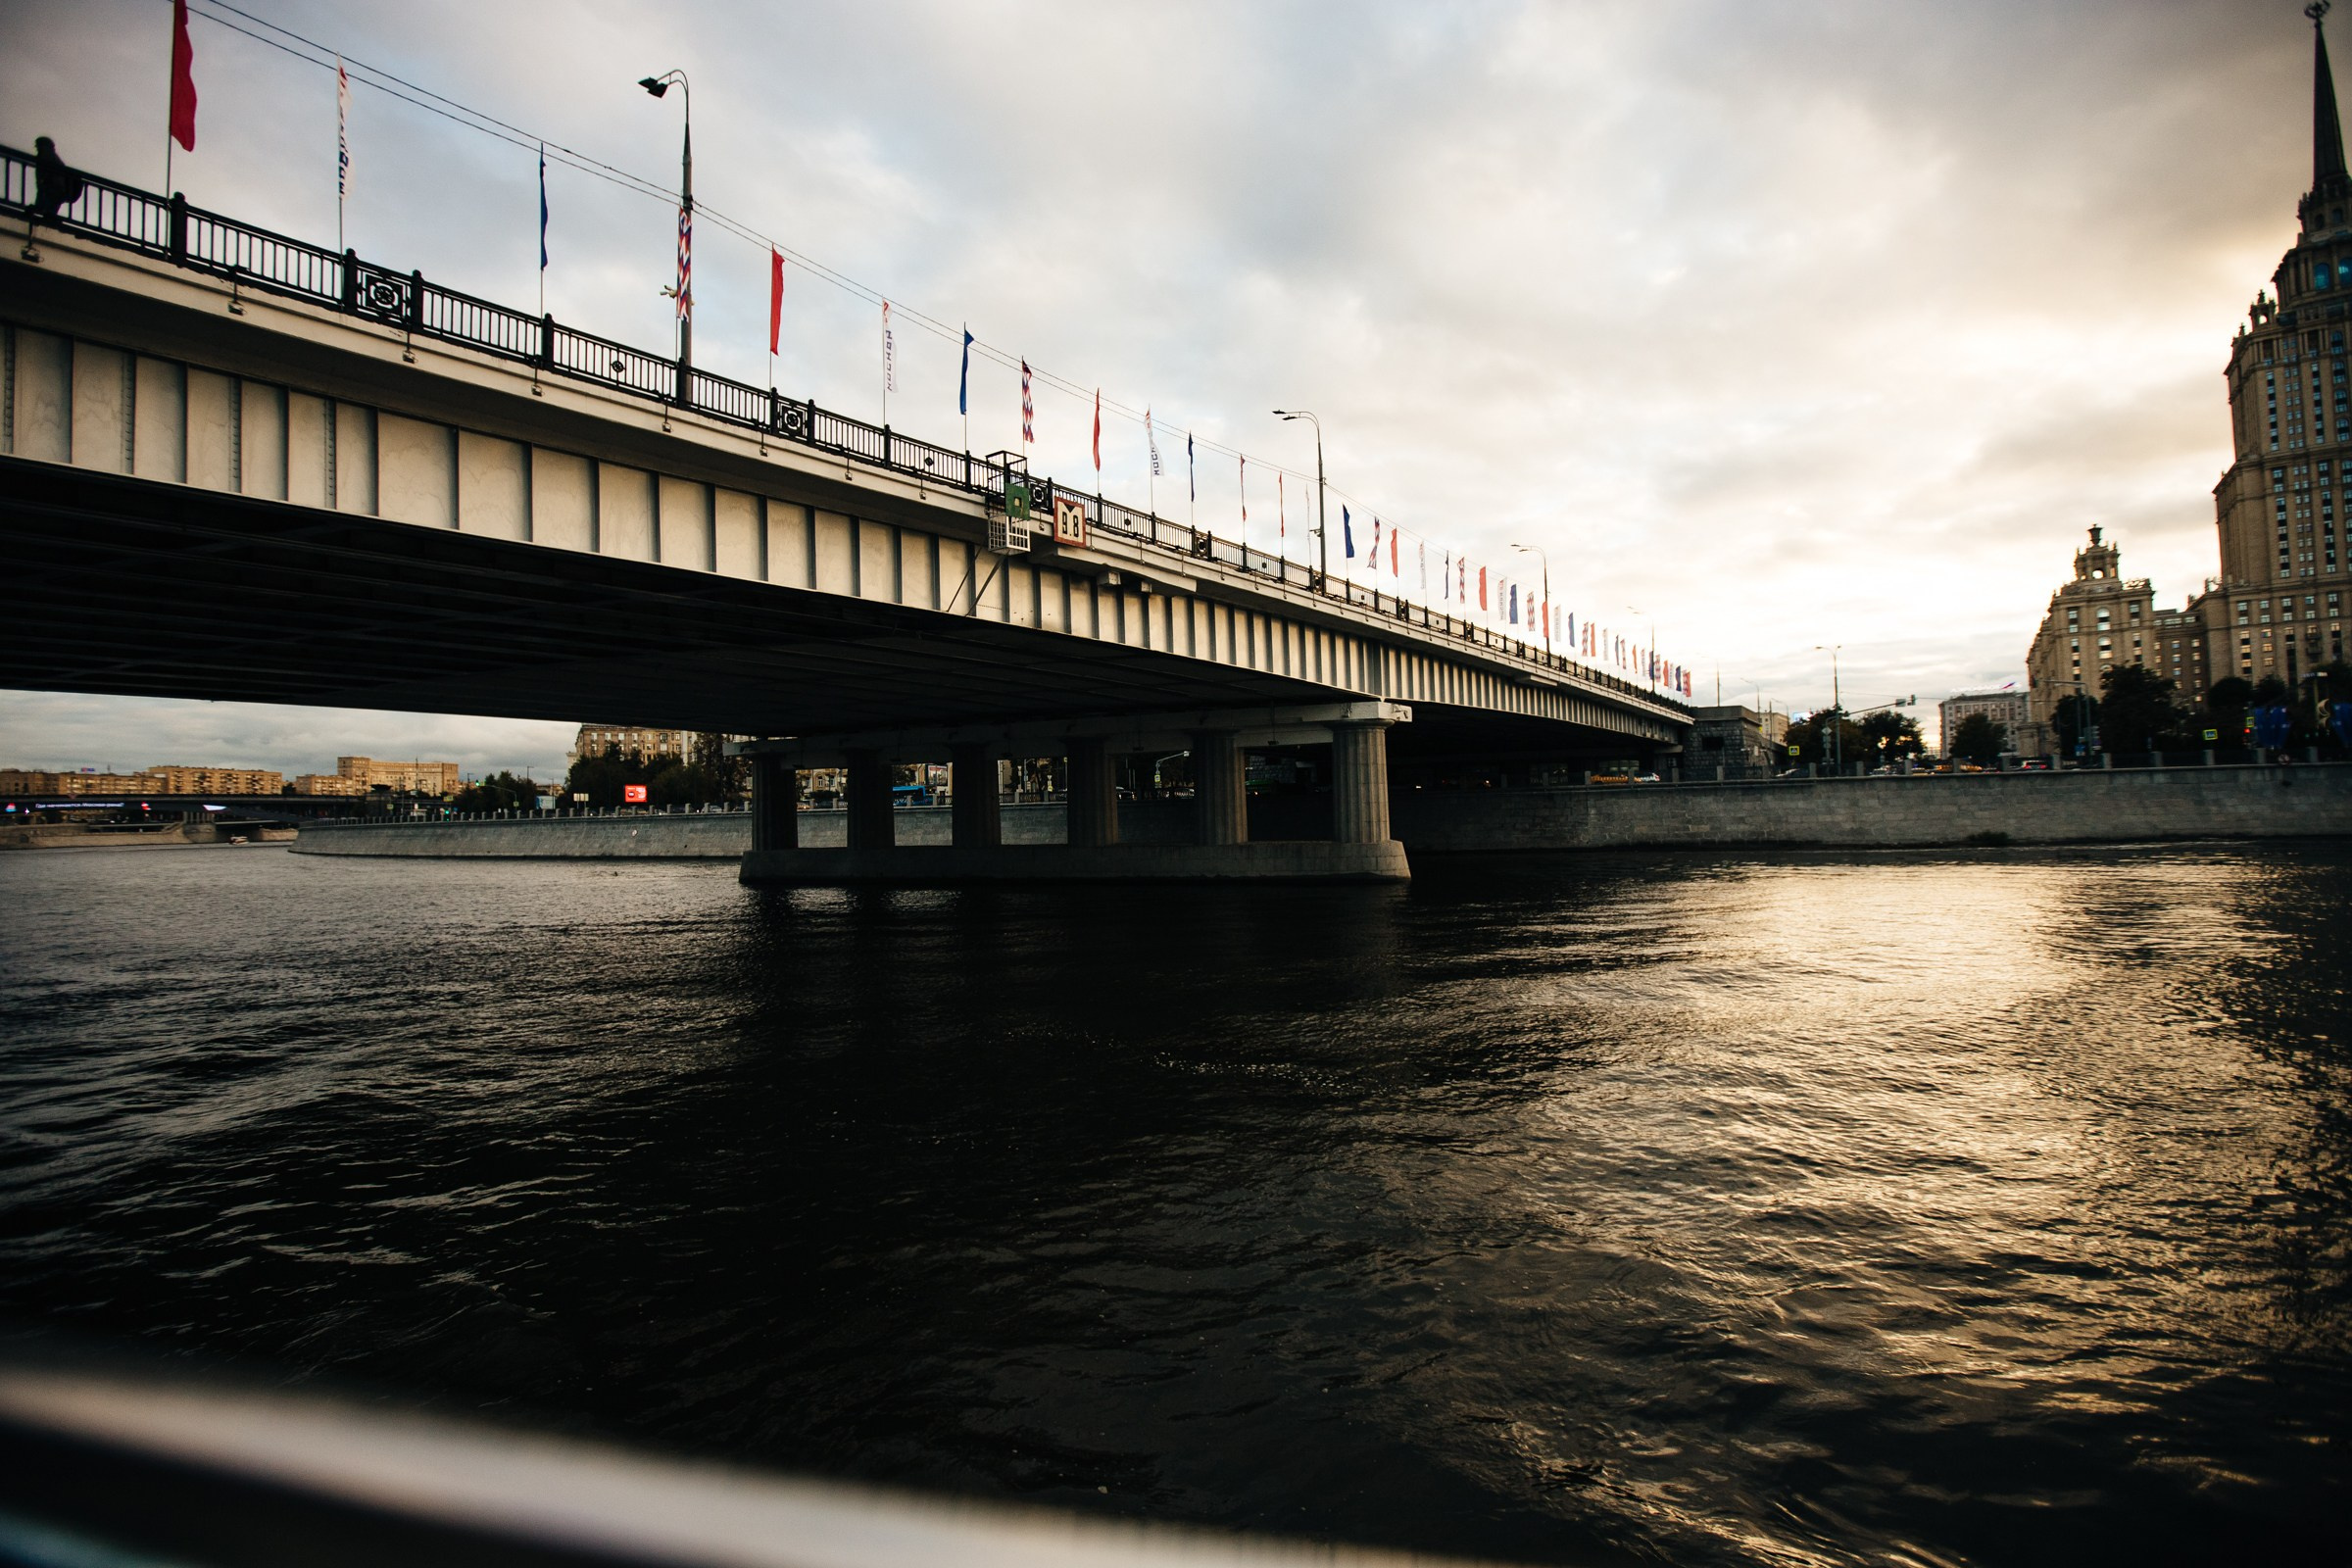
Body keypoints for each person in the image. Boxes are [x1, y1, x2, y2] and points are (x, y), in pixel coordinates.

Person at [29, 137, 85, 223]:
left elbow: (46, 174)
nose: (37, 148)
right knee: (49, 207)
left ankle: (44, 215)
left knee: (46, 204)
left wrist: (42, 184)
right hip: (57, 188)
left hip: (54, 187)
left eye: (39, 145)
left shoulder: (46, 155)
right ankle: (48, 217)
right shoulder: (52, 157)